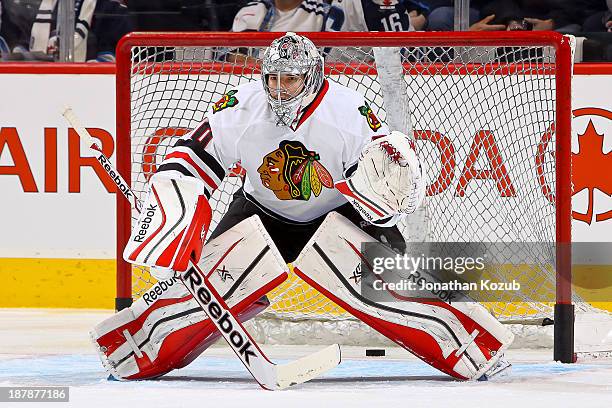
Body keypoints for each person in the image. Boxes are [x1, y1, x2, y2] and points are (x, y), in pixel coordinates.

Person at [92, 32, 514, 383]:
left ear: (312, 77)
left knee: (398, 282)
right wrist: (176, 201)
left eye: (290, 80)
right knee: (201, 284)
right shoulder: (240, 106)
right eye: (272, 78)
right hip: (261, 210)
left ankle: (476, 342)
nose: (279, 88)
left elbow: (385, 183)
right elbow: (194, 156)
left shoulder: (348, 113)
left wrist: (382, 208)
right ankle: (137, 350)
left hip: (339, 210)